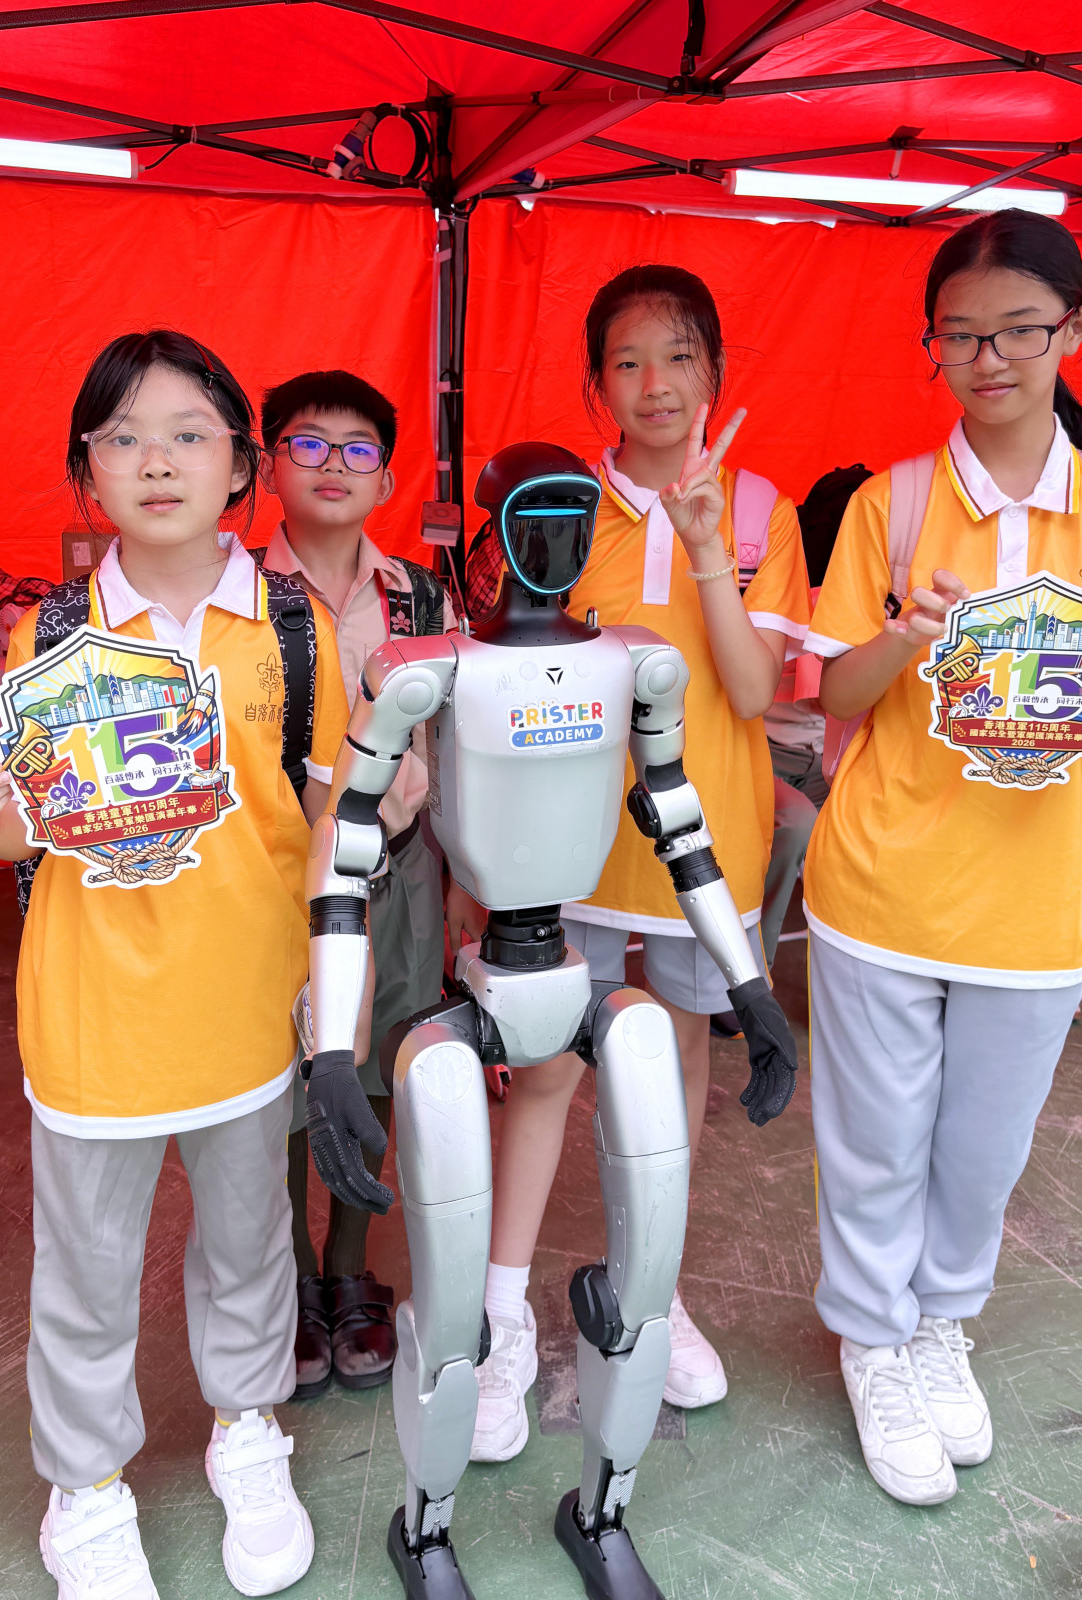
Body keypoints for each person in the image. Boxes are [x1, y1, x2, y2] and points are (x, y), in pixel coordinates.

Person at [0, 331, 351, 1600]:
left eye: (187, 435)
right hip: (95, 1014)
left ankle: (248, 1431)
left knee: (251, 1241)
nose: (156, 461)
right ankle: (87, 1488)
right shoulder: (51, 631)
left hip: (245, 1002)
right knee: (87, 1268)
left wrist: (376, 818)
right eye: (123, 438)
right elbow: (42, 821)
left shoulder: (293, 626)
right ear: (87, 474)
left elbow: (324, 811)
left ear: (240, 466)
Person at [458, 264, 811, 1463]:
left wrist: (707, 545)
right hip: (571, 848)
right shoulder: (558, 505)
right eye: (627, 360)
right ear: (594, 382)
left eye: (678, 356)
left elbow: (754, 692)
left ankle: (649, 1286)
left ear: (717, 369)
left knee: (678, 1074)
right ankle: (501, 1316)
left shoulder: (760, 509)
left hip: (711, 848)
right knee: (547, 1071)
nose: (654, 383)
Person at [804, 209, 1082, 1507]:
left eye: (1018, 331)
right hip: (886, 885)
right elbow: (834, 691)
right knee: (878, 1140)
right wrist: (904, 636)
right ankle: (873, 1337)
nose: (989, 360)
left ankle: (938, 1323)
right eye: (961, 336)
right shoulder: (893, 503)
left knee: (984, 1149)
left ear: (1069, 333)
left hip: (1044, 903)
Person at [259, 370, 453, 1398]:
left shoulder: (421, 596)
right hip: (278, 878)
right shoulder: (238, 594)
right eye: (308, 443)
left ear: (386, 477)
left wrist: (461, 882)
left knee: (378, 1058)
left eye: (358, 449)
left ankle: (350, 1267)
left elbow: (449, 741)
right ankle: (290, 1274)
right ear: (267, 466)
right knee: (287, 1071)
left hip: (400, 867)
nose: (333, 465)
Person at [756, 464, 872, 965]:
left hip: (832, 760)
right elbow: (822, 697)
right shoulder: (789, 589)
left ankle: (861, 959)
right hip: (766, 754)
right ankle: (750, 967)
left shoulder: (879, 596)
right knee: (796, 825)